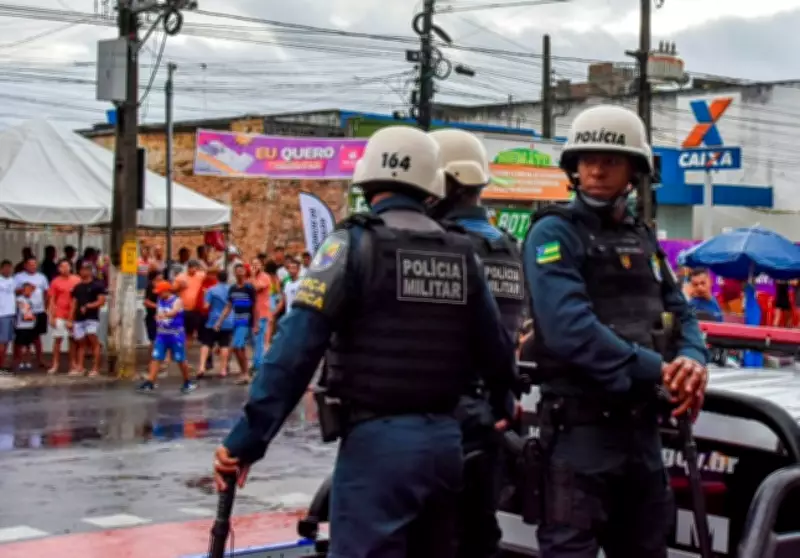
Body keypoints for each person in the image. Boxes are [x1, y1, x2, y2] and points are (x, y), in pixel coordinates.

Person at [211, 126, 517, 558]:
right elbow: (497, 351)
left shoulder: (352, 243)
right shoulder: (461, 253)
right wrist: (503, 403)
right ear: (432, 185)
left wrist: (246, 442)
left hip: (378, 447)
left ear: (367, 180)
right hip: (447, 447)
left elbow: (293, 353)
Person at [523, 104, 708, 558]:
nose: (597, 169)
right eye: (588, 159)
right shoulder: (554, 233)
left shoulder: (641, 237)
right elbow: (570, 329)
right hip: (580, 435)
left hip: (642, 436)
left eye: (610, 159)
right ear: (573, 168)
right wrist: (659, 371)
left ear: (633, 171)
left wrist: (692, 361)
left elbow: (680, 312)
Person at [429, 128, 526, 558]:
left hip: (444, 414)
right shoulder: (509, 249)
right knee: (479, 534)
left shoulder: (442, 248)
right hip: (493, 420)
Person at [137, 281, 196, 394]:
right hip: (162, 335)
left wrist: (163, 315)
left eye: (160, 292)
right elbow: (159, 312)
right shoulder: (160, 300)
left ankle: (187, 381)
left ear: (167, 291)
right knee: (156, 358)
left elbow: (174, 312)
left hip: (175, 335)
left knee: (180, 359)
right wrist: (158, 318)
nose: (158, 294)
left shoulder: (177, 301)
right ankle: (150, 381)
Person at [215, 263, 257, 384]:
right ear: (234, 273)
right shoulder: (232, 288)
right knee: (240, 348)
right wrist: (220, 321)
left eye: (241, 270)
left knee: (236, 347)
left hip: (246, 319)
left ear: (245, 272)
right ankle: (245, 374)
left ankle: (245, 373)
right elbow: (228, 306)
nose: (239, 272)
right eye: (237, 270)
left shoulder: (249, 287)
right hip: (237, 320)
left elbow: (255, 306)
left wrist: (255, 323)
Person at [70, 262, 107, 377]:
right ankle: (80, 367)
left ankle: (95, 368)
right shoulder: (77, 287)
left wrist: (88, 306)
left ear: (91, 271)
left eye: (86, 269)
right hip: (79, 318)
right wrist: (70, 319)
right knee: (80, 342)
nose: (83, 271)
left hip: (91, 317)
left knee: (92, 339)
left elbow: (101, 301)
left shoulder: (98, 286)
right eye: (81, 269)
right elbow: (74, 304)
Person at [13, 256, 49, 369]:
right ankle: (18, 360)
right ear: (25, 265)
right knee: (21, 337)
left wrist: (45, 307)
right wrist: (26, 289)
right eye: (30, 264)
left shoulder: (42, 277)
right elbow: (13, 291)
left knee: (37, 337)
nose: (33, 266)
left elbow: (46, 293)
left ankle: (39, 359)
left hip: (39, 310)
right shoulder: (18, 277)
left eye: (35, 264)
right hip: (25, 311)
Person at [47, 259, 80, 374]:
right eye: (62, 266)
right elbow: (52, 300)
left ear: (70, 267)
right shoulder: (55, 281)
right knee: (58, 340)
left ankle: (73, 364)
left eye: (67, 266)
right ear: (59, 268)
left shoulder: (77, 280)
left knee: (73, 340)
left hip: (73, 315)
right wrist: (51, 316)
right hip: (59, 314)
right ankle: (55, 364)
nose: (65, 268)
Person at [198, 270, 233, 378]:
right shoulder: (231, 290)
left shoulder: (211, 290)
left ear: (217, 278)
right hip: (228, 320)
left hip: (213, 320)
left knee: (206, 343)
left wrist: (204, 295)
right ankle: (223, 369)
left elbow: (206, 306)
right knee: (224, 345)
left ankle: (202, 367)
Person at [174, 260, 206, 352]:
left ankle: (184, 353)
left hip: (194, 310)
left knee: (190, 333)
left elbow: (211, 272)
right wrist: (179, 287)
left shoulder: (200, 275)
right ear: (188, 268)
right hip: (182, 309)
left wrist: (202, 265)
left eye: (195, 268)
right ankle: (176, 350)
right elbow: (172, 290)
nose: (193, 270)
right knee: (178, 331)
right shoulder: (180, 277)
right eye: (191, 268)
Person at [14, 283, 37, 370]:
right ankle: (20, 362)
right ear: (23, 290)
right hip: (21, 326)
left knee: (28, 345)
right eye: (26, 289)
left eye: (30, 289)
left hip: (30, 326)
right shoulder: (19, 299)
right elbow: (25, 311)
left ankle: (27, 362)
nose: (28, 291)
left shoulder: (33, 299)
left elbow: (35, 311)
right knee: (21, 346)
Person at [0, 260, 16, 374]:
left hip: (11, 314)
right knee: (2, 341)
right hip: (2, 314)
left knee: (6, 342)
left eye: (9, 268)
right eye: (5, 268)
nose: (7, 270)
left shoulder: (13, 281)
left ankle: (2, 365)